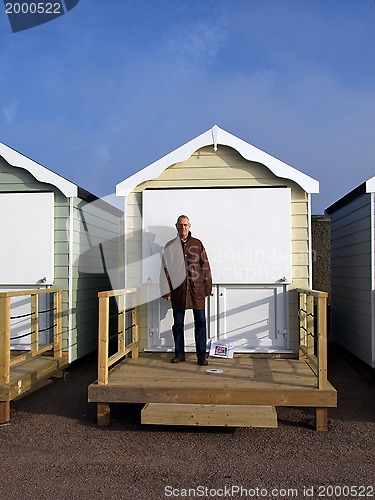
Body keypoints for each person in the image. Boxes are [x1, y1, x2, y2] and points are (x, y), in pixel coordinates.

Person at [160, 215, 212, 366]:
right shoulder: (170, 246)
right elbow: (164, 270)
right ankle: (179, 354)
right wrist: (166, 290)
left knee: (201, 323)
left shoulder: (197, 244)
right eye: (181, 225)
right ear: (176, 226)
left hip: (197, 290)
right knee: (178, 324)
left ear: (190, 226)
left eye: (186, 225)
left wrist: (207, 288)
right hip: (178, 291)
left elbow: (205, 266)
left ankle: (201, 356)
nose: (183, 228)